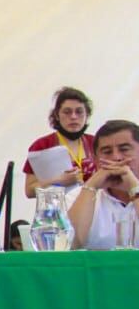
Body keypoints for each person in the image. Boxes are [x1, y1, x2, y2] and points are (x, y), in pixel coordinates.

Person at [69, 120, 139, 250]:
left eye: (124, 149)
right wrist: (91, 185)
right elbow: (70, 245)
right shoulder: (77, 196)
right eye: (107, 152)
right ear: (95, 160)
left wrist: (134, 187)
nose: (116, 158)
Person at [24, 86, 96, 198]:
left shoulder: (95, 142)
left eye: (79, 112)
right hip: (56, 211)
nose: (73, 117)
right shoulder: (42, 145)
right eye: (67, 112)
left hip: (94, 210)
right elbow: (29, 191)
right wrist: (59, 181)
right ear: (57, 115)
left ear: (87, 115)